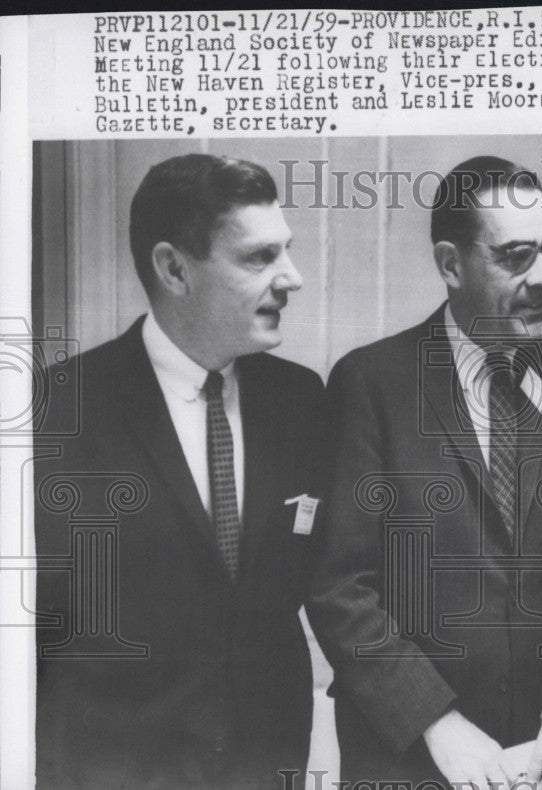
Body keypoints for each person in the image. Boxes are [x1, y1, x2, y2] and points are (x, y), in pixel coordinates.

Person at [307, 156, 542, 787]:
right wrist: (435, 722)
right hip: (409, 760)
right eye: (517, 256)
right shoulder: (371, 383)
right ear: (450, 264)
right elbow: (338, 585)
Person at [34, 153, 328, 789]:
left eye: (288, 251)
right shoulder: (55, 415)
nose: (292, 278)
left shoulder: (301, 402)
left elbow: (326, 586)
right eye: (259, 257)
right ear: (173, 268)